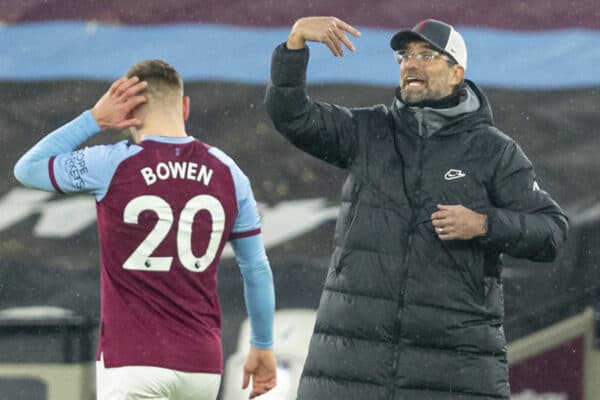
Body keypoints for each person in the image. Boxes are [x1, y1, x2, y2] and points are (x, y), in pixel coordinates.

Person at [265, 17, 568, 400]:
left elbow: (552, 232)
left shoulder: (495, 152)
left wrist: (485, 223)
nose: (411, 64)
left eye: (426, 55)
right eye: (404, 56)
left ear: (457, 73)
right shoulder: (367, 131)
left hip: (453, 369)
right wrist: (294, 44)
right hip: (351, 367)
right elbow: (290, 115)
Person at [14, 60, 277, 400]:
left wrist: (93, 119)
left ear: (128, 112)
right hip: (200, 367)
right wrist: (263, 345)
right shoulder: (230, 172)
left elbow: (27, 169)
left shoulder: (112, 163)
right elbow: (256, 268)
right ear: (185, 107)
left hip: (132, 362)